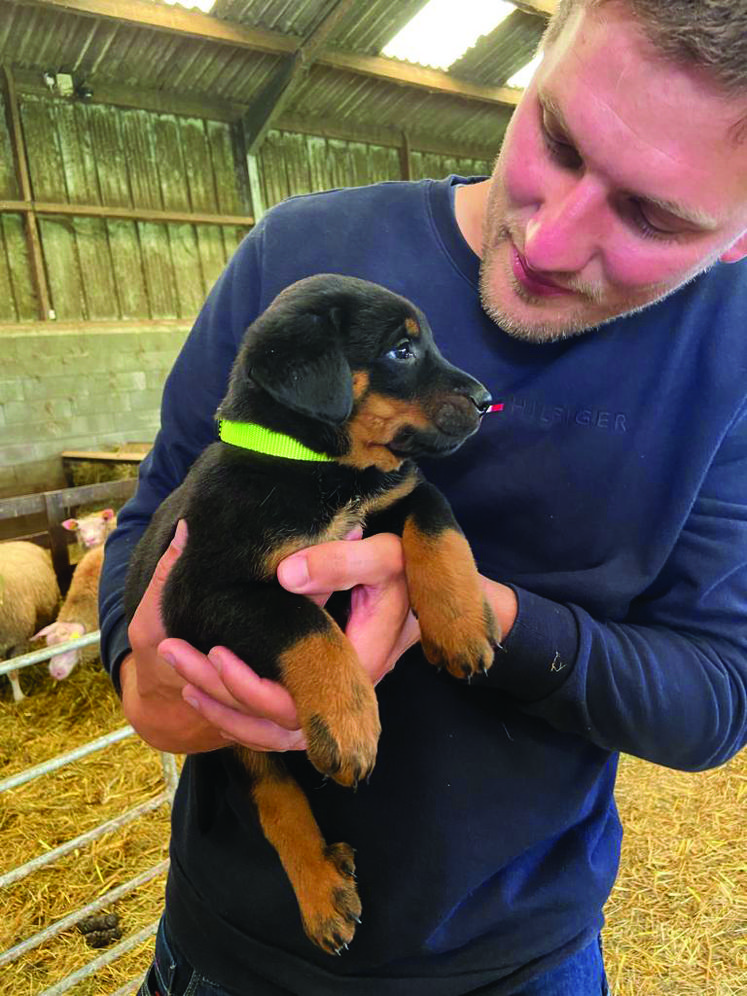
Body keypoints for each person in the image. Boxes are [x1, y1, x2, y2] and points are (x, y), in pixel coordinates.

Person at [99, 1, 747, 993]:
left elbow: (714, 697)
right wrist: (163, 684)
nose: (554, 239)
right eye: (559, 138)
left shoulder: (731, 362)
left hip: (519, 962)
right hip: (233, 954)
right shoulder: (299, 262)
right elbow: (150, 545)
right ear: (543, 48)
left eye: (653, 214)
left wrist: (474, 610)